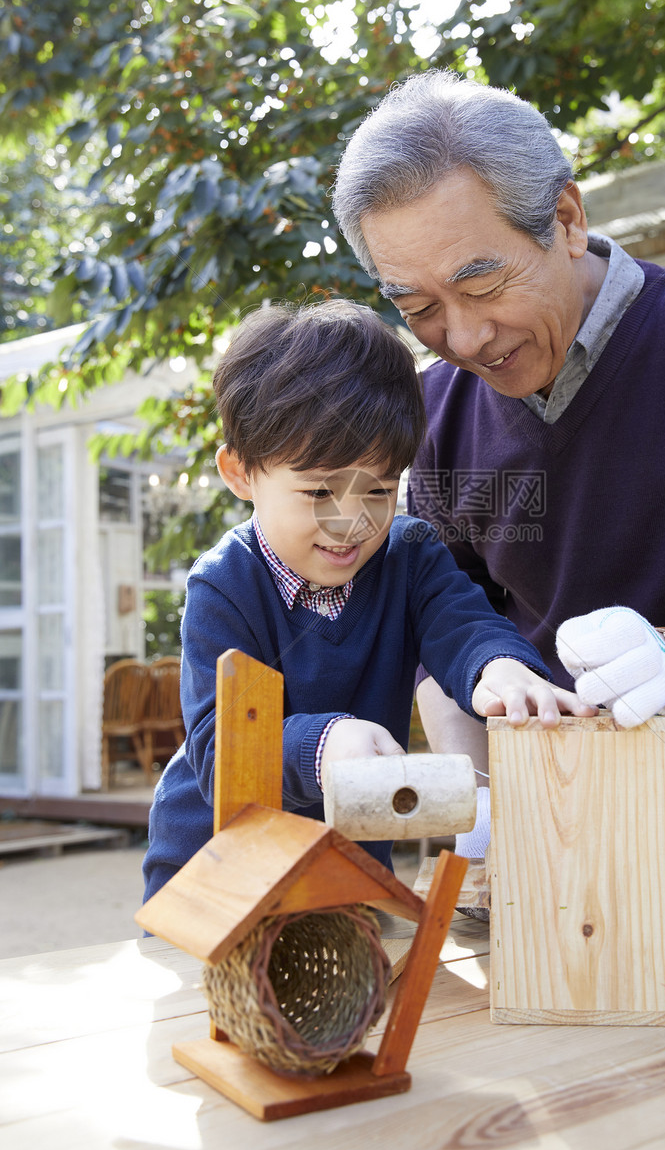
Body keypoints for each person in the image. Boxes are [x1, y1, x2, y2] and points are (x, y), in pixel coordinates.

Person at [331, 69, 665, 939]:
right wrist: (486, 809)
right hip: (565, 855)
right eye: (418, 307)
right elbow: (441, 628)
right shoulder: (434, 414)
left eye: (483, 283)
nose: (462, 338)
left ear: (567, 221)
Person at [142, 299, 588, 900]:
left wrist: (498, 667)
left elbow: (463, 625)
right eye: (319, 490)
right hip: (215, 867)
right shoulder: (224, 585)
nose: (350, 522)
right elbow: (221, 750)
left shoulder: (409, 556)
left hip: (347, 866)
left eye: (378, 488)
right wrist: (325, 744)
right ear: (241, 473)